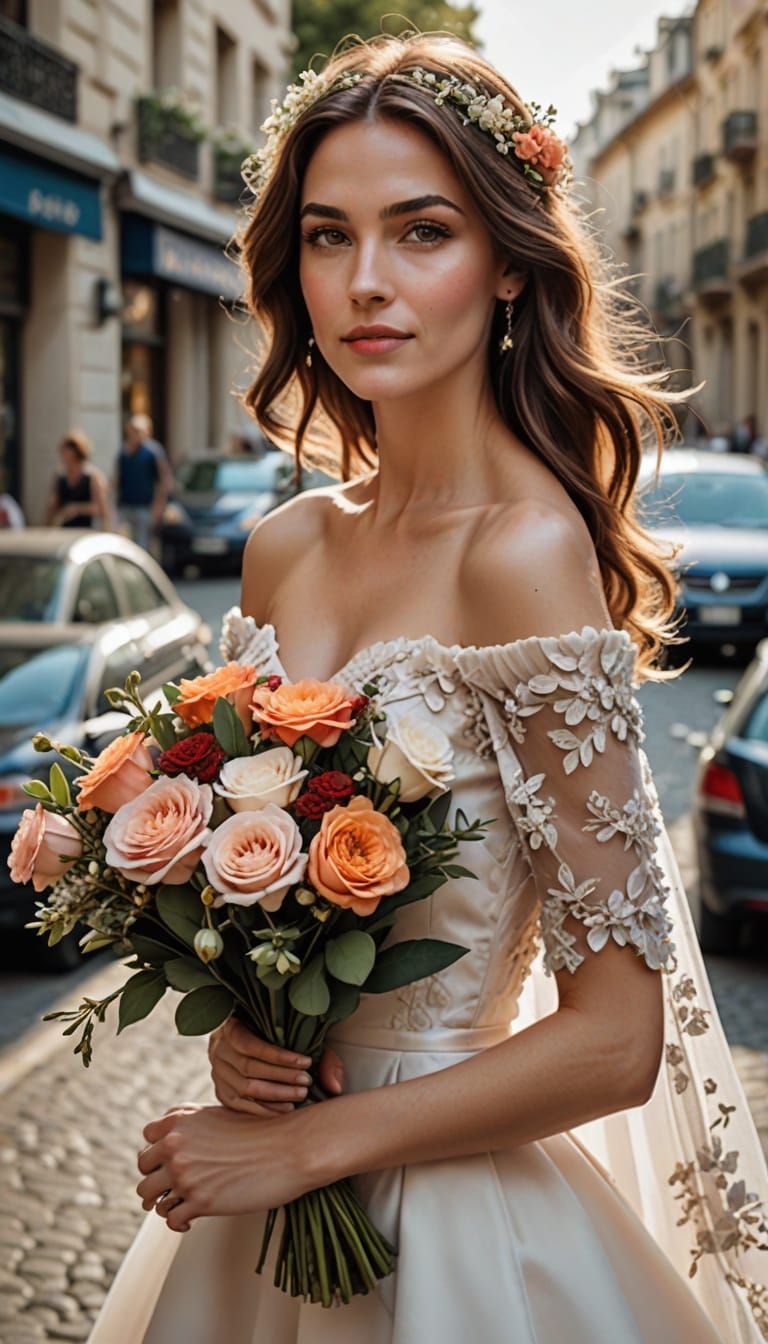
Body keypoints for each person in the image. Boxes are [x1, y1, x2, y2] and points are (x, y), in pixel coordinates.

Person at [89, 32, 768, 1344]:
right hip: (262, 1203)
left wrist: (315, 1149)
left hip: (456, 1241)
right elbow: (264, 887)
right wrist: (250, 1042)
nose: (366, 284)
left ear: (510, 262)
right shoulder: (285, 544)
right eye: (330, 237)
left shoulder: (523, 556)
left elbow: (618, 1041)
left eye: (422, 232)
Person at [113, 413, 173, 553]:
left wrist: (159, 505)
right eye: (132, 430)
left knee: (142, 547)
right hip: (125, 505)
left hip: (145, 507)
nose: (135, 434)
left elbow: (165, 479)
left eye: (138, 430)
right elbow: (117, 478)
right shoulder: (123, 451)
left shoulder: (153, 451)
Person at [43, 430, 112, 530]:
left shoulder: (92, 477)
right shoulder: (60, 477)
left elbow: (102, 510)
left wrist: (77, 509)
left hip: (87, 533)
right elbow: (52, 506)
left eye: (70, 458)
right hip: (65, 532)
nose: (66, 461)